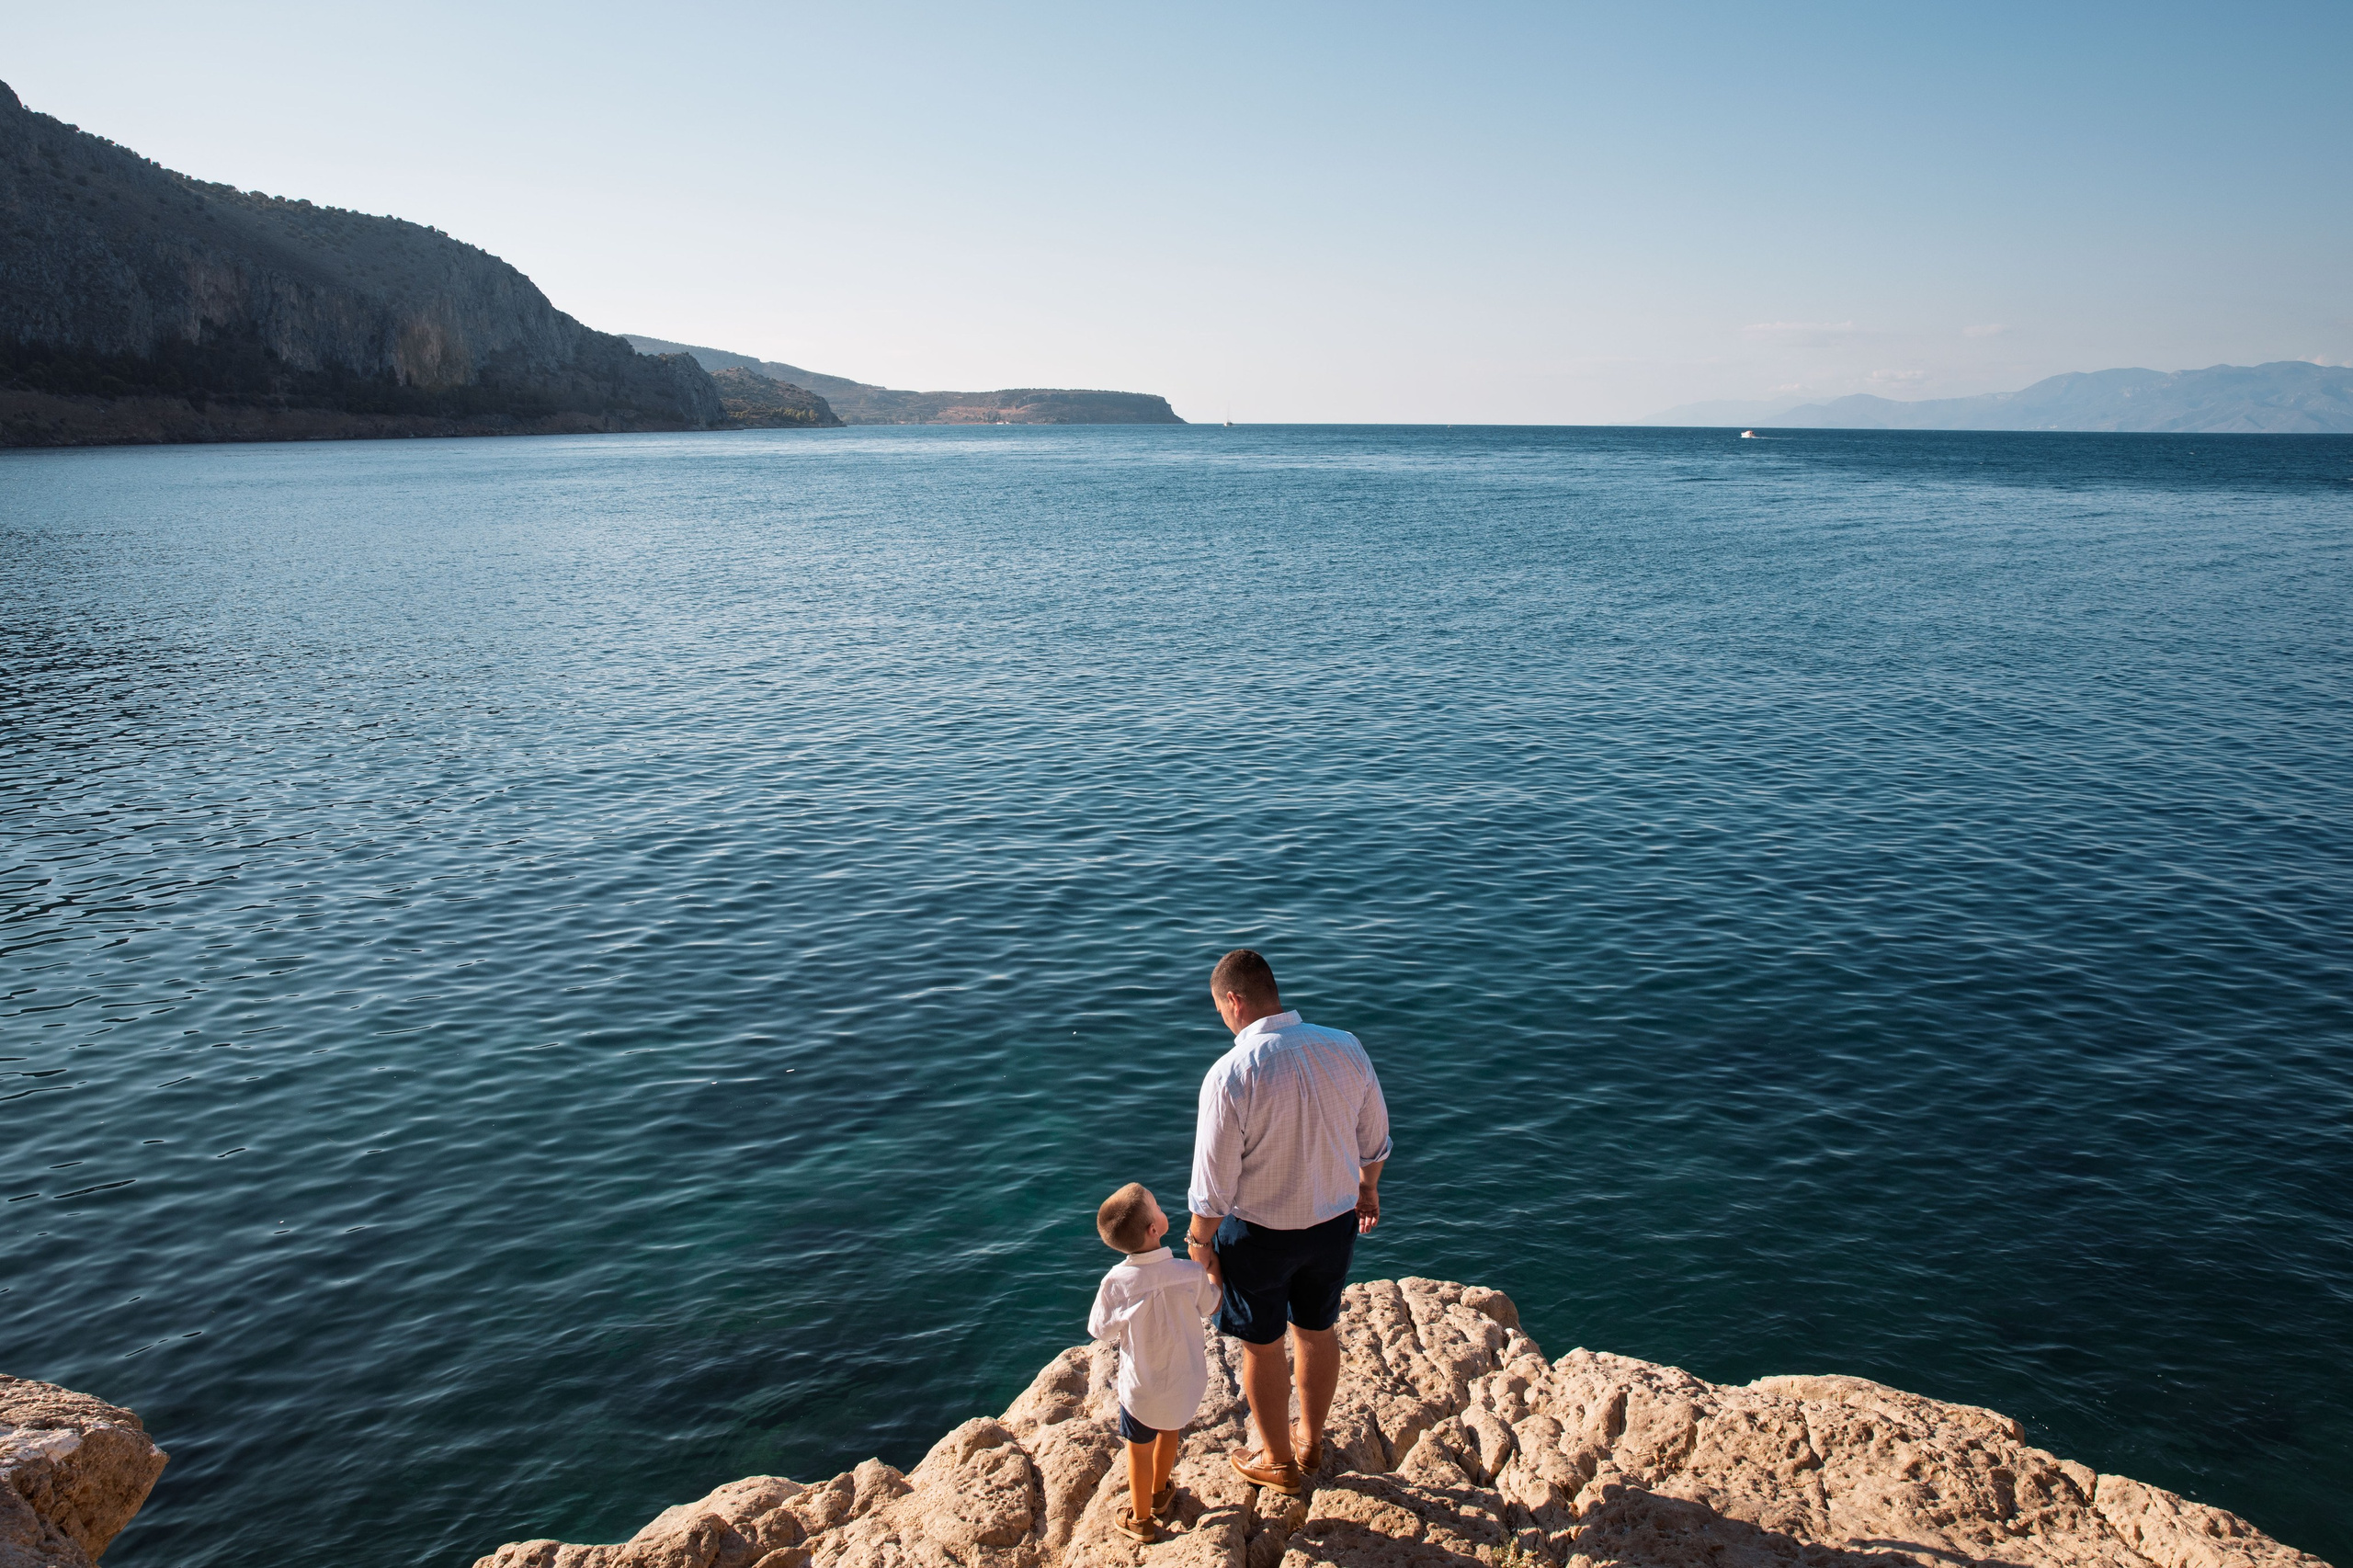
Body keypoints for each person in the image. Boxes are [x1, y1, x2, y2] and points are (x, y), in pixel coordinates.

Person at [1187, 949, 1390, 1495]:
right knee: (1317, 1331)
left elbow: (1212, 1188)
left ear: (1234, 1000)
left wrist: (1199, 1244)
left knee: (1261, 1344)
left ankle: (1276, 1461)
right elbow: (1375, 1139)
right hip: (1333, 1224)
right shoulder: (1345, 1046)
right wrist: (1367, 1189)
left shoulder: (1231, 1074)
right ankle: (1311, 1442)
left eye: (1219, 1009)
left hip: (1259, 1237)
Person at [1088, 1181, 1222, 1543]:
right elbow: (1211, 1304)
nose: (1162, 1210)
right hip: (1183, 1382)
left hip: (1142, 1390)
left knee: (1138, 1450)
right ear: (1154, 1229)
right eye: (1158, 1207)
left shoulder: (1116, 1283)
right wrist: (1213, 1271)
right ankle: (1161, 1492)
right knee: (1170, 1429)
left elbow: (1100, 1330)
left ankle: (1141, 1519)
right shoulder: (1189, 1273)